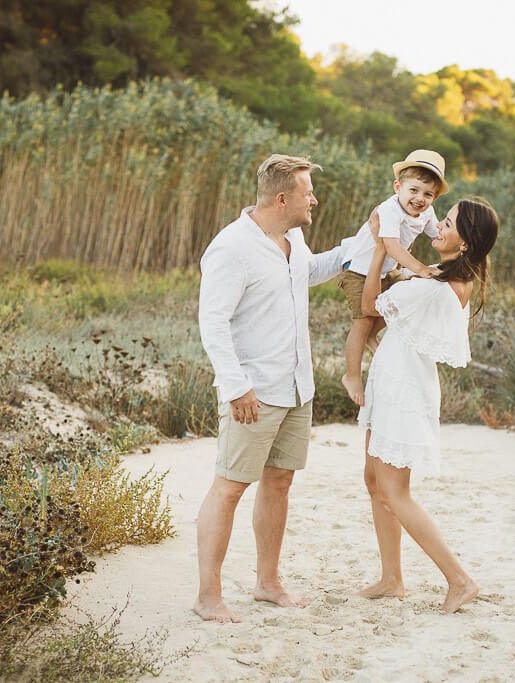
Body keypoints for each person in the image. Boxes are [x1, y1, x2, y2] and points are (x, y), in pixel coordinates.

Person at [196, 154, 346, 623]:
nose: (314, 200)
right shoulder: (231, 248)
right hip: (253, 393)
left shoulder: (293, 238)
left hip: (297, 387)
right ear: (283, 198)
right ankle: (208, 595)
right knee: (230, 488)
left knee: (279, 483)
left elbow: (309, 272)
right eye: (307, 192)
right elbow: (212, 322)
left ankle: (267, 582)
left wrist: (362, 242)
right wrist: (236, 387)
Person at [355, 197, 499, 613]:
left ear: (466, 243)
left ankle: (459, 579)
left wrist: (383, 246)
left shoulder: (433, 286)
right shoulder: (443, 279)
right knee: (373, 479)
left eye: (448, 224)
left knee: (395, 491)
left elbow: (368, 308)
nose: (437, 228)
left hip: (404, 389)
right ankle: (391, 578)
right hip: (393, 381)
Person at [337, 150, 449, 407]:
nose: (420, 199)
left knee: (397, 305)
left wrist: (457, 241)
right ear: (398, 187)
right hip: (359, 270)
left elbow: (436, 236)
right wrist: (421, 269)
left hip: (386, 270)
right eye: (414, 190)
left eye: (428, 194)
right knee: (363, 320)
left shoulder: (427, 213)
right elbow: (392, 246)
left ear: (435, 197)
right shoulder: (389, 210)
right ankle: (351, 375)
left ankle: (371, 339)